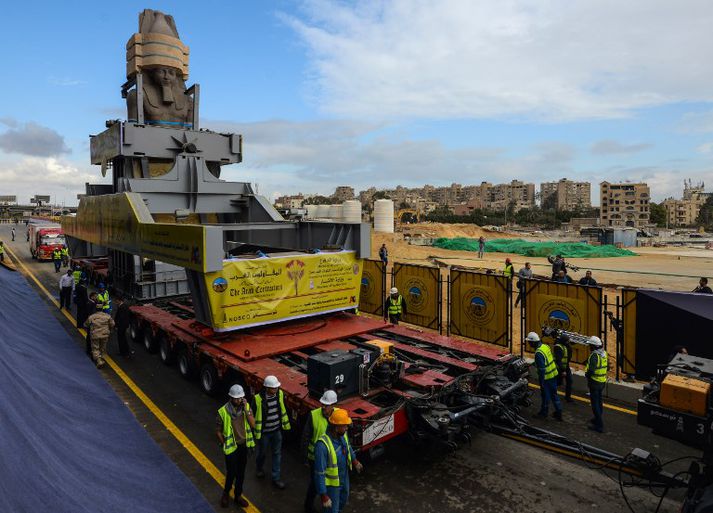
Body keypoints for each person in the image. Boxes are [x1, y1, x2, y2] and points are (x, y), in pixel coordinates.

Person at [313, 408, 364, 513]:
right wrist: (323, 495)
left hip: (344, 477)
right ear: (336, 428)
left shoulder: (342, 435)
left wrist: (354, 461)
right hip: (332, 486)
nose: (346, 428)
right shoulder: (322, 446)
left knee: (343, 500)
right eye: (344, 426)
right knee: (332, 510)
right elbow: (319, 473)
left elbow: (348, 447)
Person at [216, 384, 256, 509]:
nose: (239, 400)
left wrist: (246, 411)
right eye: (236, 398)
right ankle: (226, 494)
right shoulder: (223, 411)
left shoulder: (246, 407)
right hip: (231, 448)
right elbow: (218, 431)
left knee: (241, 473)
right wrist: (224, 443)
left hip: (243, 446)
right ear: (231, 398)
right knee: (231, 473)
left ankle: (238, 495)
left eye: (241, 398)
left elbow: (253, 425)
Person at [302, 390, 339, 513]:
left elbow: (343, 437)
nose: (323, 407)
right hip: (315, 458)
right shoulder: (313, 415)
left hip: (331, 458)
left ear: (333, 405)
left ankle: (328, 504)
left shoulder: (339, 415)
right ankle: (308, 506)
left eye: (326, 405)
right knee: (315, 483)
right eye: (322, 404)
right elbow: (305, 437)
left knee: (331, 482)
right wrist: (304, 457)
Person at [254, 375, 291, 489]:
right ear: (266, 388)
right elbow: (252, 416)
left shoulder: (279, 394)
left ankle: (276, 478)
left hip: (276, 431)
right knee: (262, 453)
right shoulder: (257, 399)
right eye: (273, 388)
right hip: (264, 433)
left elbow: (282, 410)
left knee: (277, 454)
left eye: (276, 387)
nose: (275, 390)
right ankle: (259, 468)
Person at [526, 332, 562, 421]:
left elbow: (542, 369)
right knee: (554, 394)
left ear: (533, 342)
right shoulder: (545, 346)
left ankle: (543, 413)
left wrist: (541, 381)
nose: (528, 344)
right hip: (553, 374)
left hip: (546, 378)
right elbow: (547, 359)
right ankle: (559, 412)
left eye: (529, 342)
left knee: (545, 396)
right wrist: (533, 364)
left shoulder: (538, 353)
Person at [585, 336, 608, 433]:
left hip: (594, 382)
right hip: (602, 381)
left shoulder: (594, 355)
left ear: (594, 346)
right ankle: (597, 419)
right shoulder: (604, 353)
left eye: (590, 345)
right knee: (599, 401)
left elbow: (591, 370)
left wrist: (587, 375)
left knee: (595, 404)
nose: (589, 347)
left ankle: (599, 425)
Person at [84, 302, 115, 368]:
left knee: (95, 348)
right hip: (105, 334)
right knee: (103, 348)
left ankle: (99, 360)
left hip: (95, 335)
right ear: (102, 308)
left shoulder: (92, 317)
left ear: (96, 308)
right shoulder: (107, 316)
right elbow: (112, 324)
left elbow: (86, 324)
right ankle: (102, 358)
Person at [113, 294, 135, 359]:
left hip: (121, 326)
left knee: (122, 339)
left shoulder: (122, 307)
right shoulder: (125, 306)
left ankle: (125, 353)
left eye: (116, 301)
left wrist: (116, 326)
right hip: (124, 325)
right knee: (122, 339)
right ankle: (123, 352)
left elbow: (121, 318)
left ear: (119, 301)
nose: (115, 302)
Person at [553, 333, 573, 402]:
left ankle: (568, 397)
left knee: (569, 381)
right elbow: (558, 360)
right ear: (564, 341)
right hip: (560, 368)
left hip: (566, 366)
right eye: (567, 341)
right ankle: (553, 395)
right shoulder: (558, 347)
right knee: (558, 382)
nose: (568, 342)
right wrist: (563, 371)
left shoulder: (565, 345)